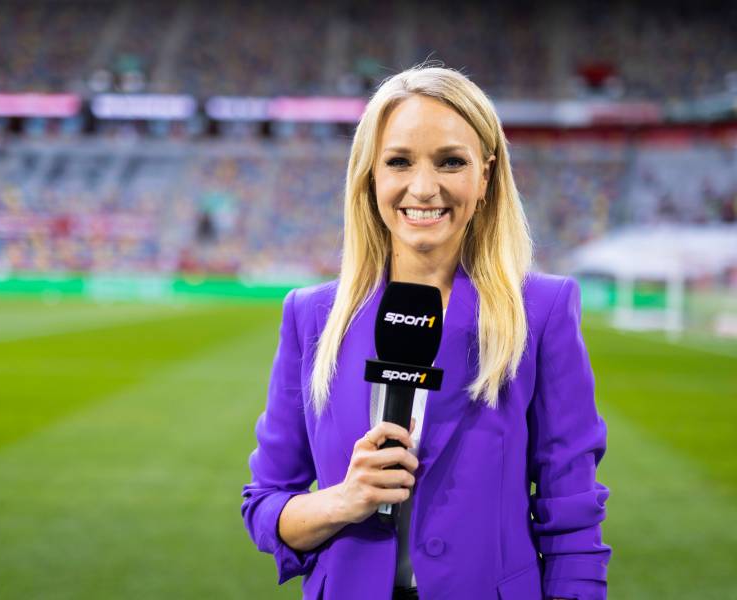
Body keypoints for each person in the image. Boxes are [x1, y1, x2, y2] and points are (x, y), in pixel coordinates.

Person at [241, 64, 611, 600]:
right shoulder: (311, 315)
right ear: (371, 176)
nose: (423, 187)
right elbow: (265, 507)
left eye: (450, 162)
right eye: (398, 161)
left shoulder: (543, 311)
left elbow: (573, 515)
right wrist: (344, 499)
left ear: (485, 177)